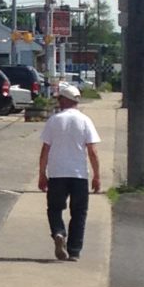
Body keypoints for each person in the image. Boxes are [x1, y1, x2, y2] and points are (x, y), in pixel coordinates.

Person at [37, 82, 101, 261]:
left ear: (64, 100)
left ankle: (58, 232)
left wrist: (42, 174)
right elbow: (92, 151)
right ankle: (74, 251)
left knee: (54, 208)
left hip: (57, 174)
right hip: (79, 174)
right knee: (79, 213)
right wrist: (97, 175)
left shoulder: (54, 120)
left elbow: (45, 150)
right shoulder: (85, 121)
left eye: (59, 99)